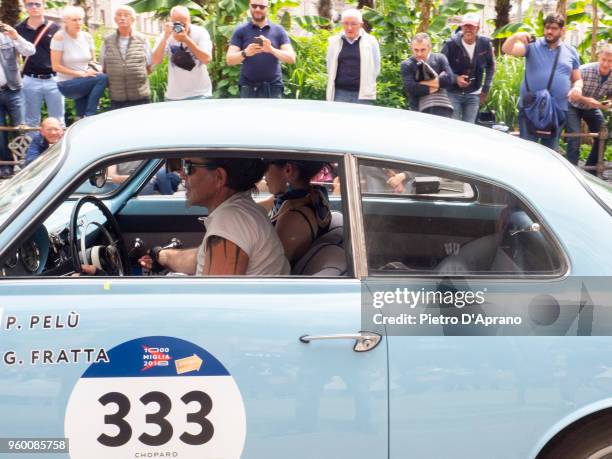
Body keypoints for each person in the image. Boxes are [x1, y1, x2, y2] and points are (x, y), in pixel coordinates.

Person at [139, 157, 290, 276]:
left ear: (219, 177)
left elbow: (214, 304)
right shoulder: (240, 209)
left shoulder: (230, 221)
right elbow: (199, 258)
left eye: (188, 166)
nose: (181, 174)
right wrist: (162, 256)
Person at [502, 13, 582, 151]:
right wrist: (515, 37)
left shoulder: (571, 51)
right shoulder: (532, 45)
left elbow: (577, 79)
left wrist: (577, 88)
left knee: (550, 153)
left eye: (554, 28)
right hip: (530, 107)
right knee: (526, 150)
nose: (549, 31)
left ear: (563, 30)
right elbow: (507, 49)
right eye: (547, 27)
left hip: (557, 109)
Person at [259, 160, 332, 265]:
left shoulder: (291, 220)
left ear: (288, 170)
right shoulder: (311, 195)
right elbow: (260, 206)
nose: (264, 174)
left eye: (266, 166)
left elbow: (270, 271)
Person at [226, 0, 296, 98]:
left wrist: (271, 49)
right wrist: (246, 52)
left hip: (273, 87)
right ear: (249, 6)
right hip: (248, 87)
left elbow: (291, 58)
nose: (257, 9)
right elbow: (229, 60)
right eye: (254, 6)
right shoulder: (241, 30)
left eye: (262, 7)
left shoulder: (278, 30)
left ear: (268, 8)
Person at [15, 0, 65, 133]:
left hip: (54, 80)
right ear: (25, 7)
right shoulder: (18, 29)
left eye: (37, 4)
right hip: (30, 80)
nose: (34, 7)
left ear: (44, 6)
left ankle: (59, 152)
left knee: (58, 120)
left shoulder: (56, 28)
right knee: (31, 122)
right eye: (30, 4)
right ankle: (34, 153)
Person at [50, 6, 108, 119]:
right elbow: (55, 66)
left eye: (80, 19)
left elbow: (92, 61)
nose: (78, 23)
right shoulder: (59, 37)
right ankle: (90, 114)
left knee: (80, 115)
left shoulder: (87, 37)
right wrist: (81, 74)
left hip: (85, 81)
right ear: (66, 21)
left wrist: (98, 68)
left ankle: (81, 118)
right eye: (74, 20)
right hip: (67, 84)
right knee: (102, 78)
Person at [441, 12, 495, 123]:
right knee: (453, 126)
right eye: (466, 26)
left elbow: (491, 66)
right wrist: (456, 78)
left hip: (474, 94)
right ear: (461, 26)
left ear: (478, 28)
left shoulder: (485, 43)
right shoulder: (450, 44)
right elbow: (441, 67)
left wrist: (485, 89)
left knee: (470, 128)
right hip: (453, 93)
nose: (468, 29)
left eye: (472, 26)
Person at [566, 42, 612, 171]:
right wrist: (587, 100)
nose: (606, 64)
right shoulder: (584, 70)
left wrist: (609, 102)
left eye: (610, 61)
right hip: (573, 105)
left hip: (592, 107)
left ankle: (590, 171)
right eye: (604, 60)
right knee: (574, 137)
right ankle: (571, 171)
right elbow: (567, 91)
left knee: (603, 135)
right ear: (599, 57)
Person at [151, 6, 213, 101]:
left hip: (200, 93)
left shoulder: (200, 32)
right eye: (176, 23)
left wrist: (186, 40)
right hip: (175, 95)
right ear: (171, 22)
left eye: (184, 23)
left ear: (189, 21)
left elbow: (207, 59)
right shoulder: (166, 34)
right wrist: (165, 37)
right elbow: (155, 61)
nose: (180, 27)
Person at [0, 22, 35, 178]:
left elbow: (30, 50)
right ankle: (5, 165)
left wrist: (16, 37)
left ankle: (23, 163)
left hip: (13, 90)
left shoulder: (8, 35)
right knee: (0, 133)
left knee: (21, 128)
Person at [100, 6, 152, 109]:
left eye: (126, 15)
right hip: (117, 98)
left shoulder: (142, 40)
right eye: (119, 15)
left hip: (140, 97)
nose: (122, 18)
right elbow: (103, 68)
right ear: (115, 19)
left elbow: (149, 67)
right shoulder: (107, 41)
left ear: (133, 19)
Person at [326, 8, 380, 104]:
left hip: (363, 95)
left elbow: (375, 68)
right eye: (346, 23)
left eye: (353, 24)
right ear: (342, 24)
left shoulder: (371, 42)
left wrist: (366, 83)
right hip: (339, 93)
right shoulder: (334, 42)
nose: (349, 27)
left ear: (361, 24)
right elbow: (330, 66)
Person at [401, 33, 455, 118]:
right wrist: (439, 84)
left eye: (423, 50)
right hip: (417, 109)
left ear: (430, 48)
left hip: (441, 107)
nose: (419, 54)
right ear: (411, 48)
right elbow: (412, 88)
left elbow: (450, 79)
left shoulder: (440, 58)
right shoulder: (407, 64)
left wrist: (421, 81)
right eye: (416, 50)